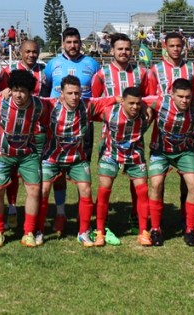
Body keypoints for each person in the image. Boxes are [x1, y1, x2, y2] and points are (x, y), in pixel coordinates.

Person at [38, 76, 117, 247]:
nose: (74, 97)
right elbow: (31, 101)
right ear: (61, 94)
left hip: (77, 158)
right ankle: (39, 230)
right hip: (52, 157)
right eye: (70, 93)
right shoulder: (50, 105)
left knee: (86, 189)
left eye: (77, 93)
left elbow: (110, 100)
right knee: (42, 190)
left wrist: (122, 97)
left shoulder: (87, 105)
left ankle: (83, 232)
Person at [144, 78, 194, 246]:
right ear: (172, 95)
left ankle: (190, 229)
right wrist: (145, 109)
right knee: (156, 184)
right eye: (180, 96)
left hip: (185, 151)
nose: (185, 100)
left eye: (188, 97)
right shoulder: (159, 102)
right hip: (160, 151)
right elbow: (135, 100)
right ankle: (155, 229)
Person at [91, 33, 152, 235]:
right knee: (106, 181)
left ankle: (136, 218)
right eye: (120, 49)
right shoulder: (102, 74)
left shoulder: (141, 73)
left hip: (135, 137)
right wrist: (115, 106)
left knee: (138, 183)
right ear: (111, 51)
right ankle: (102, 222)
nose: (124, 52)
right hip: (110, 136)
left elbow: (149, 100)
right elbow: (95, 103)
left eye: (127, 49)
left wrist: (142, 116)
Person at [44, 27, 101, 234]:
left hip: (83, 124)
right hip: (58, 124)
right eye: (68, 42)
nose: (73, 46)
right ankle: (60, 213)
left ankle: (82, 214)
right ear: (63, 43)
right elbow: (47, 87)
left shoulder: (92, 64)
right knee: (58, 171)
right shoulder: (53, 64)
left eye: (76, 42)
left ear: (81, 43)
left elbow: (98, 92)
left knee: (82, 165)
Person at [0, 70, 50, 248]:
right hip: (2, 155)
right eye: (15, 89)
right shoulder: (0, 101)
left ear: (30, 91)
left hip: (27, 155)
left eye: (23, 90)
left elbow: (49, 116)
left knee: (34, 190)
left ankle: (28, 232)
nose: (18, 94)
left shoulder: (38, 106)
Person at [93, 87, 152, 246]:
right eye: (131, 103)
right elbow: (91, 106)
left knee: (143, 191)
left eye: (138, 103)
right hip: (110, 154)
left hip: (134, 154)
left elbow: (159, 99)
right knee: (104, 189)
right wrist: (113, 98)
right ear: (122, 102)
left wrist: (146, 106)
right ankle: (99, 230)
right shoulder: (109, 113)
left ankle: (143, 231)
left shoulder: (146, 114)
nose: (135, 107)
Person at [3, 39, 48, 232]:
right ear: (21, 52)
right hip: (14, 130)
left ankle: (37, 217)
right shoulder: (9, 71)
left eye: (35, 52)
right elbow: (4, 95)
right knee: (11, 172)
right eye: (27, 51)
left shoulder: (44, 72)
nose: (31, 55)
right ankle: (12, 208)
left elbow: (48, 96)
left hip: (38, 132)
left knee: (34, 174)